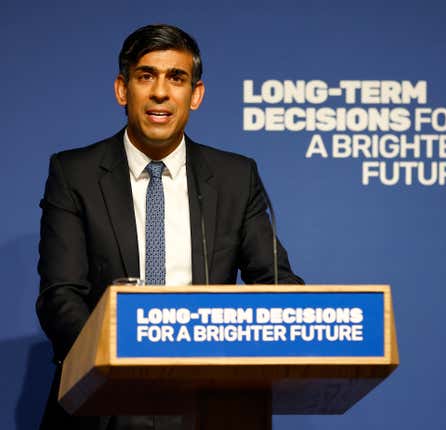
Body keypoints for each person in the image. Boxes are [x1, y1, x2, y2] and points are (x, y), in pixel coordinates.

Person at [36, 24, 303, 430]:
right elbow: (61, 298)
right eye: (146, 76)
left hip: (211, 400)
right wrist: (122, 360)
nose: (161, 92)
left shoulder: (235, 176)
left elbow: (277, 283)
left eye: (176, 78)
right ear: (122, 90)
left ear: (195, 95)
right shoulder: (75, 174)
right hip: (106, 400)